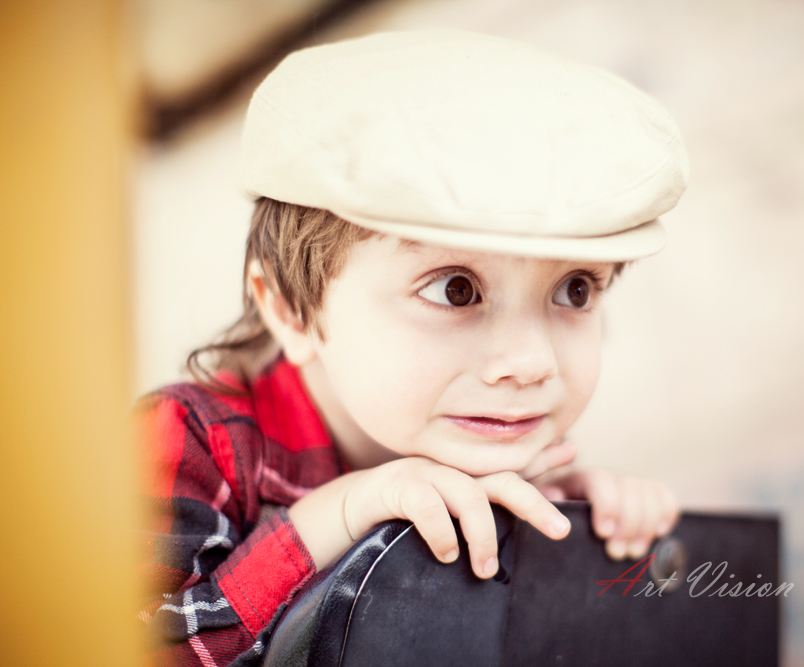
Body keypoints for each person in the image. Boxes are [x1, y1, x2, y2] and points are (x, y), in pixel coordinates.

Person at [137, 29, 689, 666]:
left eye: (573, 289)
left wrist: (586, 542)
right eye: (457, 291)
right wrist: (341, 514)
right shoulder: (193, 444)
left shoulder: (518, 468)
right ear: (287, 306)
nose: (532, 363)